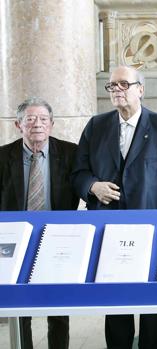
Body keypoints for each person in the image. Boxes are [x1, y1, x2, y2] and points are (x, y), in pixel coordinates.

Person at [72, 65, 157, 349]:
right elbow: (78, 173)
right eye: (112, 86)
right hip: (108, 230)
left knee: (154, 308)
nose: (117, 90)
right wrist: (93, 187)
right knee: (117, 304)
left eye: (124, 84)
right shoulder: (96, 126)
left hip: (153, 231)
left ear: (140, 89)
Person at [0, 97, 78, 349]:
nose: (37, 125)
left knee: (57, 305)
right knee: (21, 304)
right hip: (16, 238)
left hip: (57, 237)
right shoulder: (3, 157)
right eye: (30, 119)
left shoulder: (70, 153)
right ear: (18, 125)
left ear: (52, 125)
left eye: (44, 119)